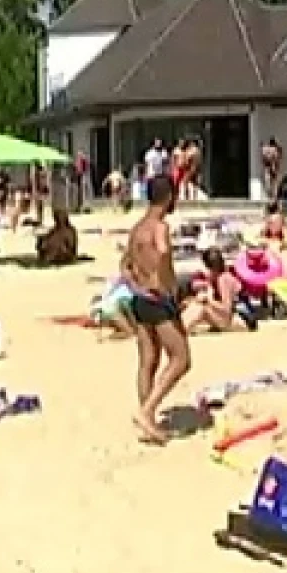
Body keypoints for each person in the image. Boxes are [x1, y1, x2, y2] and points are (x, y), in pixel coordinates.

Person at [123, 174, 187, 444]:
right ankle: (147, 411)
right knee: (181, 359)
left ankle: (146, 418)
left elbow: (125, 265)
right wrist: (168, 288)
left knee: (148, 360)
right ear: (169, 197)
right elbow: (162, 253)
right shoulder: (160, 228)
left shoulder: (137, 228)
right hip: (158, 300)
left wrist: (137, 284)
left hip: (139, 299)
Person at [182, 248, 243, 334]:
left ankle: (181, 329)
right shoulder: (219, 277)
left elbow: (226, 309)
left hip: (227, 319)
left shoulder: (224, 279)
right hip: (223, 316)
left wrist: (208, 300)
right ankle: (181, 328)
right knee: (194, 303)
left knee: (200, 307)